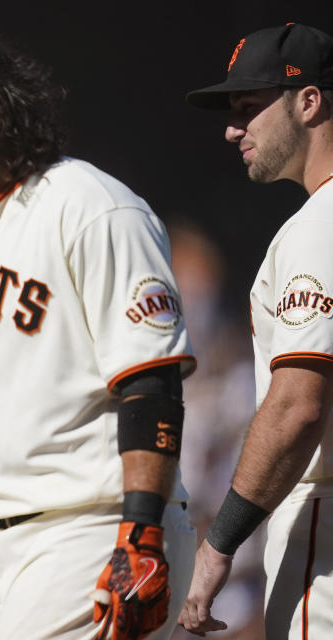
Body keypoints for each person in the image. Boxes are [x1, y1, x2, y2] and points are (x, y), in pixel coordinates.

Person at [0, 13, 198, 640]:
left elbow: (151, 383)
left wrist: (140, 533)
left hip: (95, 527)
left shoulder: (91, 206)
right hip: (20, 544)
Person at [181, 23, 333, 637]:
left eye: (249, 107)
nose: (232, 128)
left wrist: (218, 546)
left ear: (309, 101)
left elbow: (298, 404)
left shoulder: (317, 229)